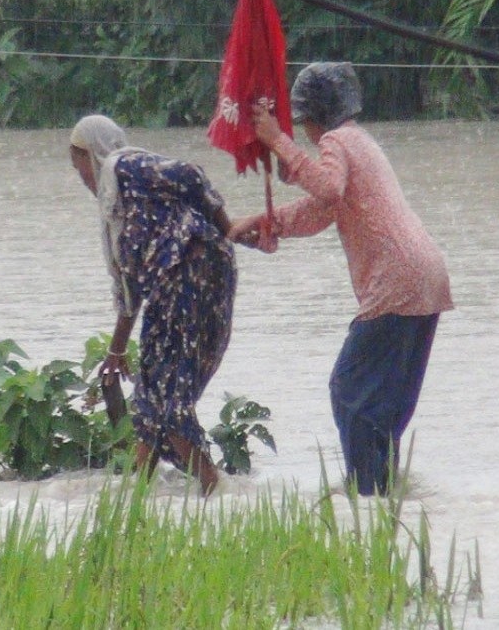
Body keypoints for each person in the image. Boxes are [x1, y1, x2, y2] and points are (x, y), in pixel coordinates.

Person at [229, 62, 454, 496]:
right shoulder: (360, 142)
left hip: (397, 279)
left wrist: (275, 140)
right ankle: (382, 494)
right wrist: (265, 223)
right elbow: (323, 211)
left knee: (349, 388)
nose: (305, 132)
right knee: (383, 403)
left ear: (314, 116)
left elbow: (328, 190)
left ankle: (364, 493)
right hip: (426, 276)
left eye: (302, 123)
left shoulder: (338, 141)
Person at [69, 114, 240, 495]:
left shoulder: (125, 166)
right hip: (173, 282)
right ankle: (141, 496)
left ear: (94, 154)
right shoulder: (118, 208)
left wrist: (228, 227)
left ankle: (212, 488)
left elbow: (191, 175)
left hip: (191, 270)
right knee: (150, 388)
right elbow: (129, 292)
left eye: (80, 166)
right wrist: (115, 350)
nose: (82, 178)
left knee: (163, 394)